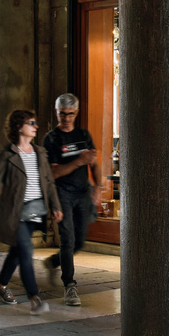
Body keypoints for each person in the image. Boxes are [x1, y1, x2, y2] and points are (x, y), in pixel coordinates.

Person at [0, 109, 62, 314]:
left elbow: (49, 183)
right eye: (31, 123)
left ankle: (0, 285)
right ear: (18, 127)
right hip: (16, 212)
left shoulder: (40, 153)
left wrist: (56, 206)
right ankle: (35, 298)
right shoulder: (8, 156)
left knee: (18, 250)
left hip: (36, 210)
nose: (35, 126)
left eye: (35, 123)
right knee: (26, 252)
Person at [40, 92, 99, 306]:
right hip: (62, 194)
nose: (66, 118)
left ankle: (53, 262)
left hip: (83, 192)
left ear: (76, 113)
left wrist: (98, 187)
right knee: (68, 239)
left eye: (70, 114)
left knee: (80, 241)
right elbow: (53, 172)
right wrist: (78, 161)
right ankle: (70, 286)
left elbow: (93, 162)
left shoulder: (83, 135)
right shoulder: (51, 139)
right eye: (63, 114)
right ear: (57, 113)